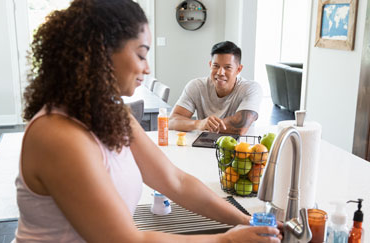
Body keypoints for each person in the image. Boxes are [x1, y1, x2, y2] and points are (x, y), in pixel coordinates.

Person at [14, 0, 281, 242]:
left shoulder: (111, 112)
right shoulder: (57, 136)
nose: (148, 68)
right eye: (141, 54)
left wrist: (247, 221)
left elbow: (176, 181)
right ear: (100, 53)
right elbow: (127, 241)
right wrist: (228, 240)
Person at [169, 41, 263, 135]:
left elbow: (240, 127)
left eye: (227, 67)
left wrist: (207, 125)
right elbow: (171, 121)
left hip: (239, 146)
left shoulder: (251, 88)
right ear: (210, 65)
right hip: (202, 144)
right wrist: (199, 124)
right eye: (216, 66)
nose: (220, 72)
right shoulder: (196, 86)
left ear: (238, 69)